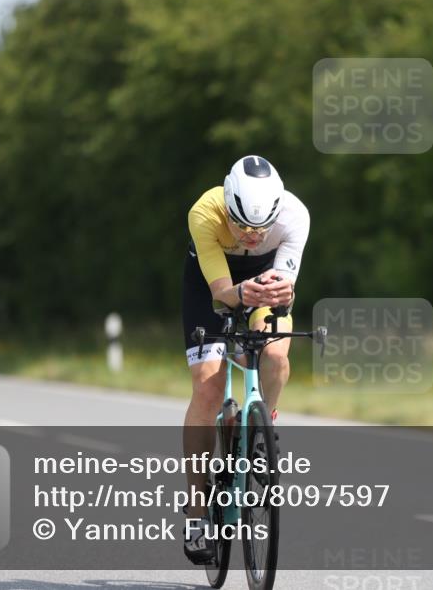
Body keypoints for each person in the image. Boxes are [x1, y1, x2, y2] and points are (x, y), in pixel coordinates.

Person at [180, 155, 309, 563]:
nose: (253, 237)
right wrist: (241, 291)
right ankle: (198, 512)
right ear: (227, 207)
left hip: (265, 281)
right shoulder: (204, 212)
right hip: (211, 285)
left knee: (275, 355)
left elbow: (284, 284)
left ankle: (261, 429)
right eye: (242, 227)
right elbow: (220, 291)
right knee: (208, 388)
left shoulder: (294, 216)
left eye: (262, 228)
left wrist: (283, 292)